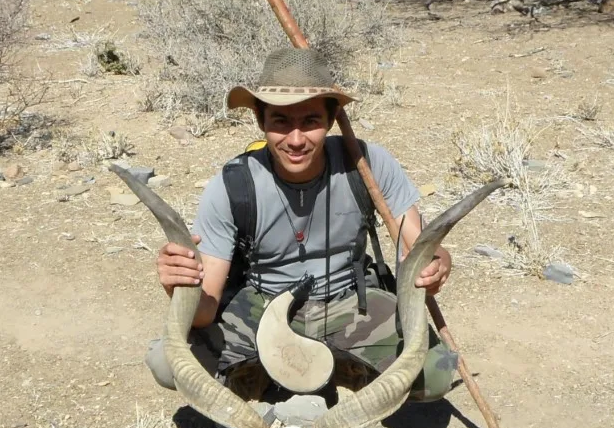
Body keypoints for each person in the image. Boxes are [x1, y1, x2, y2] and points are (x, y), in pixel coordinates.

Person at [146, 48, 458, 405]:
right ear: (260, 120)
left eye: (310, 121)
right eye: (280, 121)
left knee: (433, 374)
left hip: (350, 303)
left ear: (331, 119)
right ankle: (274, 377)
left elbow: (419, 249)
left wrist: (437, 263)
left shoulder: (367, 165)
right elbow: (204, 311)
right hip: (260, 307)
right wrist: (180, 287)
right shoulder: (233, 186)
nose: (295, 140)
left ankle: (335, 373)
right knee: (169, 363)